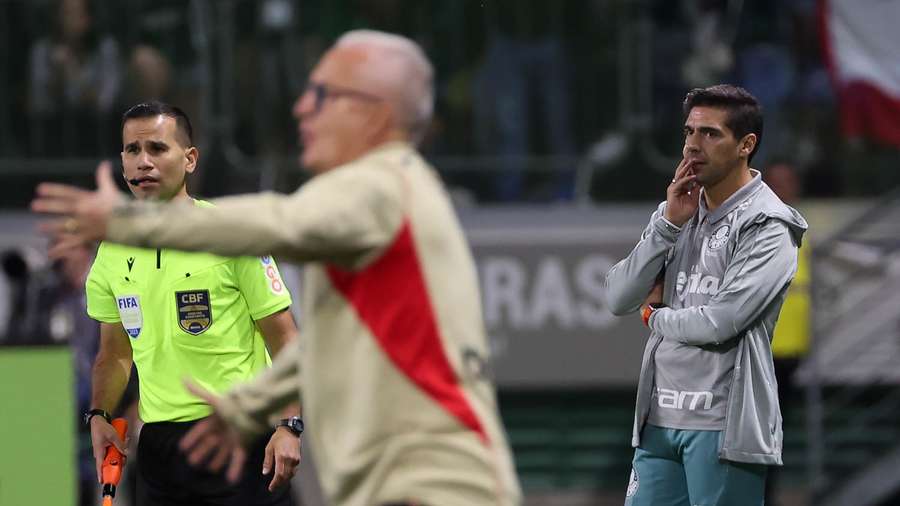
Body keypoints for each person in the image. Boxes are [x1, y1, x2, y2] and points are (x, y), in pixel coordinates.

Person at [32, 30, 522, 506]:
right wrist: (245, 412)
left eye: (322, 94)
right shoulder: (371, 207)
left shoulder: (384, 187)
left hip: (437, 478)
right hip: (391, 473)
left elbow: (274, 222)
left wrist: (126, 221)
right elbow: (316, 349)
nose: (300, 106)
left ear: (374, 112)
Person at [82, 101, 301, 506]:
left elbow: (286, 340)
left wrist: (289, 425)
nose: (143, 162)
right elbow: (114, 355)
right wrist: (98, 416)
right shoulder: (111, 252)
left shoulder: (232, 235)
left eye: (157, 149)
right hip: (161, 449)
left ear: (190, 159)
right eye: (132, 150)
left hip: (239, 436)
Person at [605, 84, 808, 506]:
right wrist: (667, 227)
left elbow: (722, 320)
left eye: (710, 134)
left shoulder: (769, 225)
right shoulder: (677, 211)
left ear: (745, 145)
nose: (693, 146)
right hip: (658, 422)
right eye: (689, 132)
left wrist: (655, 317)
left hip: (723, 428)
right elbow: (619, 296)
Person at [762, 162, 811, 506]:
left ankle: (766, 497)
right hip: (758, 349)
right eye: (777, 182)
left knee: (775, 434)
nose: (784, 188)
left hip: (790, 350)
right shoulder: (761, 225)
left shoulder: (798, 227)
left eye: (789, 181)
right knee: (757, 433)